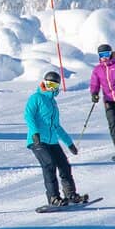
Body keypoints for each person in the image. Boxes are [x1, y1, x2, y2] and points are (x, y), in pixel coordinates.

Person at [24, 71, 87, 207]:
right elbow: (28, 116)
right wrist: (35, 132)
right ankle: (53, 197)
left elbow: (57, 126)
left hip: (52, 141)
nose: (50, 88)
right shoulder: (36, 98)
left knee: (64, 165)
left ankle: (70, 195)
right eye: (48, 84)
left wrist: (69, 143)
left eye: (54, 85)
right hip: (38, 141)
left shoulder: (53, 103)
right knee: (49, 164)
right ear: (44, 83)